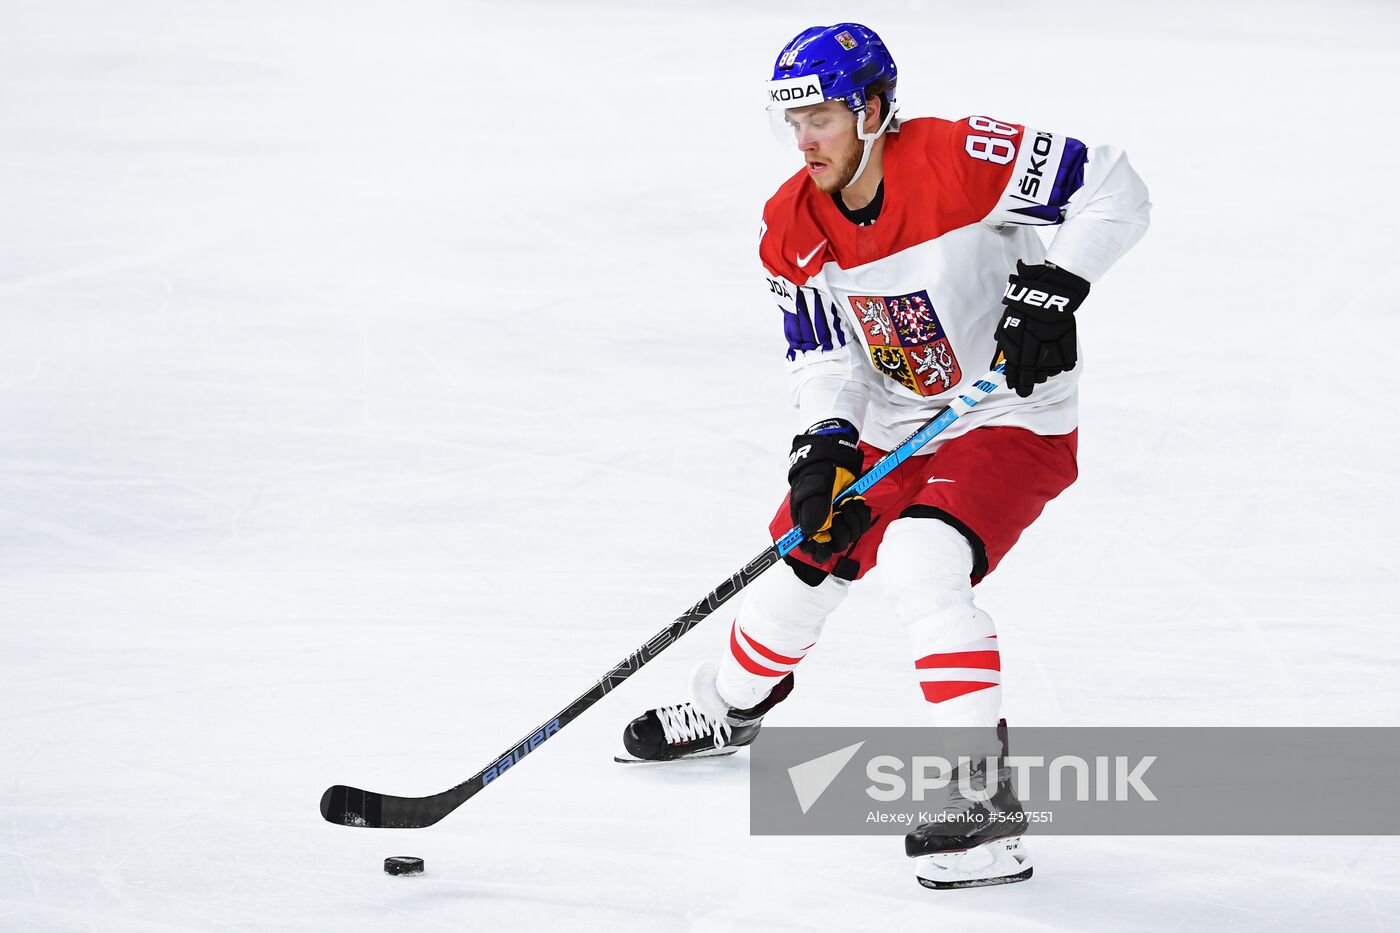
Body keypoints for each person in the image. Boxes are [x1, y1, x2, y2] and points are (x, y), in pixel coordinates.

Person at [620, 22, 1150, 889]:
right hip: (897, 419)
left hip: (1008, 412)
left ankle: (983, 803)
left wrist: (1058, 287)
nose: (805, 140)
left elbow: (1116, 189)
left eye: (822, 117)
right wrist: (823, 444)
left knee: (919, 559)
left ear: (871, 110)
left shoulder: (962, 158)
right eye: (793, 121)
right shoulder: (792, 223)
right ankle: (728, 708)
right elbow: (825, 353)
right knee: (803, 555)